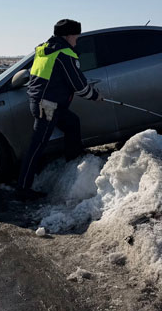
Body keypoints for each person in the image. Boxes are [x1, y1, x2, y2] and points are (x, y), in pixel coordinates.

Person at [16, 18, 102, 200]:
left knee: (72, 122)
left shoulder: (44, 50)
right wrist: (95, 96)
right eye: (76, 36)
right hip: (48, 105)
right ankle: (23, 188)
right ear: (68, 35)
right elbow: (78, 85)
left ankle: (73, 159)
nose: (77, 40)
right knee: (37, 146)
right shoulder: (64, 54)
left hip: (44, 102)